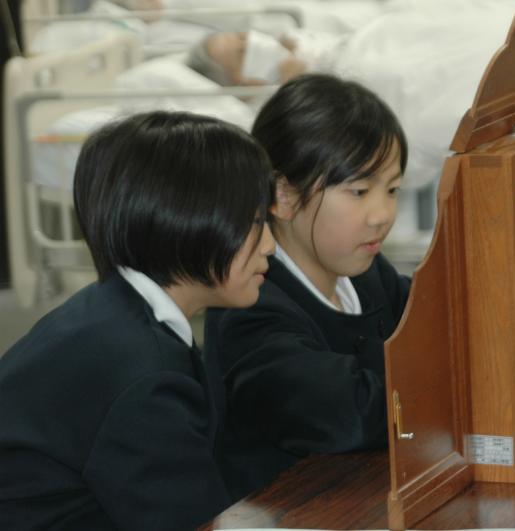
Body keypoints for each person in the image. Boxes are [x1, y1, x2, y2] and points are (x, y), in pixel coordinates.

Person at [0, 110, 275, 530]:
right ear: (185, 221)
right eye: (255, 223)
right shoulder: (140, 373)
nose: (269, 244)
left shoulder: (112, 311)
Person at [204, 73, 411, 494]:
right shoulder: (249, 309)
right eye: (359, 191)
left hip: (370, 494)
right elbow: (350, 415)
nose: (382, 215)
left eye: (392, 190)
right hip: (292, 511)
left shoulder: (365, 270)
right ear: (283, 195)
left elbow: (438, 313)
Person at [186, 30, 307, 87]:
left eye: (241, 37)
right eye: (241, 53)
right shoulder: (279, 110)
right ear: (239, 84)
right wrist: (294, 86)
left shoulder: (294, 38)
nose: (250, 43)